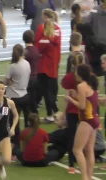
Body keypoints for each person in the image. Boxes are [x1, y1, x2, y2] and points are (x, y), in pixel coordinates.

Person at [64, 64, 100, 180]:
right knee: (89, 149)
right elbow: (88, 100)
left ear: (80, 74)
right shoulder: (92, 84)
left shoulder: (81, 86)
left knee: (77, 149)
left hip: (86, 120)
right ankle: (89, 176)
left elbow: (82, 106)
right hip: (94, 119)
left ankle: (84, 177)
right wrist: (76, 96)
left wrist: (70, 99)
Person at [61, 45, 86, 174]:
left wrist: (63, 114)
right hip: (84, 110)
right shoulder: (87, 76)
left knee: (71, 136)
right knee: (86, 138)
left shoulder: (68, 77)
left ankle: (71, 164)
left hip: (72, 110)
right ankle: (85, 160)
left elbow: (66, 96)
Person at [35, 13, 61, 122]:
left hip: (43, 65)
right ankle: (55, 112)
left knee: (45, 91)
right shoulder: (57, 30)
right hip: (53, 64)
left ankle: (53, 113)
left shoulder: (42, 32)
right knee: (51, 90)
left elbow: (38, 48)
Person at [5, 44, 31, 148]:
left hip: (14, 97)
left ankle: (15, 144)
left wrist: (11, 81)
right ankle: (28, 141)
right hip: (24, 94)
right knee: (27, 120)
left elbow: (6, 81)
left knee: (14, 123)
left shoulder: (12, 66)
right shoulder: (27, 64)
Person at [23, 30, 40, 114]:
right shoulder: (36, 50)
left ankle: (29, 117)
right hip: (35, 77)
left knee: (27, 101)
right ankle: (35, 116)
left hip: (27, 79)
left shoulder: (25, 52)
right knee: (33, 100)